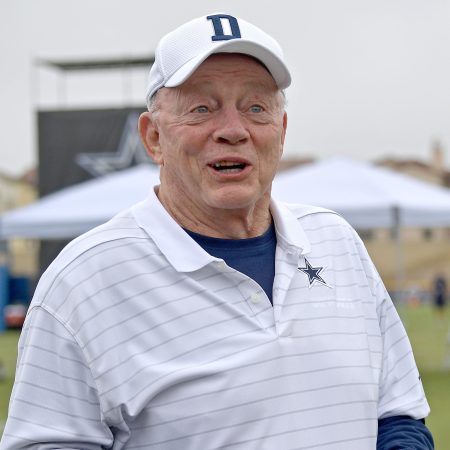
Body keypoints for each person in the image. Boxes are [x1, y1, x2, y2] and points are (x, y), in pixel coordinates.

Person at [0, 13, 434, 450]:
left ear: (280, 133)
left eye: (256, 108)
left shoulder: (337, 243)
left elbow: (397, 415)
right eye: (202, 108)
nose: (232, 130)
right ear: (153, 138)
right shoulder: (82, 283)